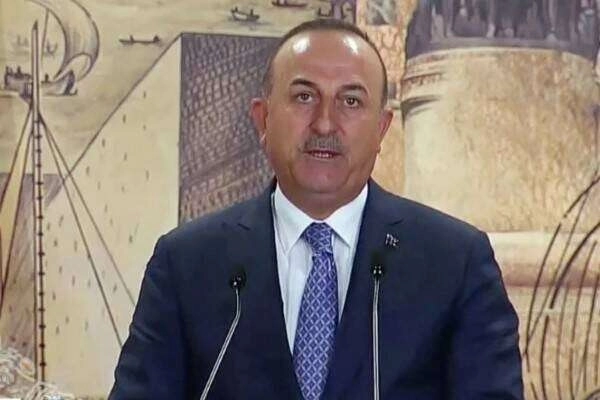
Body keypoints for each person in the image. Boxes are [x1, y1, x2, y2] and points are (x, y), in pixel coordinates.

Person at [109, 18, 523, 399]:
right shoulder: (186, 263)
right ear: (263, 119)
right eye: (304, 97)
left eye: (351, 101)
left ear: (381, 129)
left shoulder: (455, 262)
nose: (325, 123)